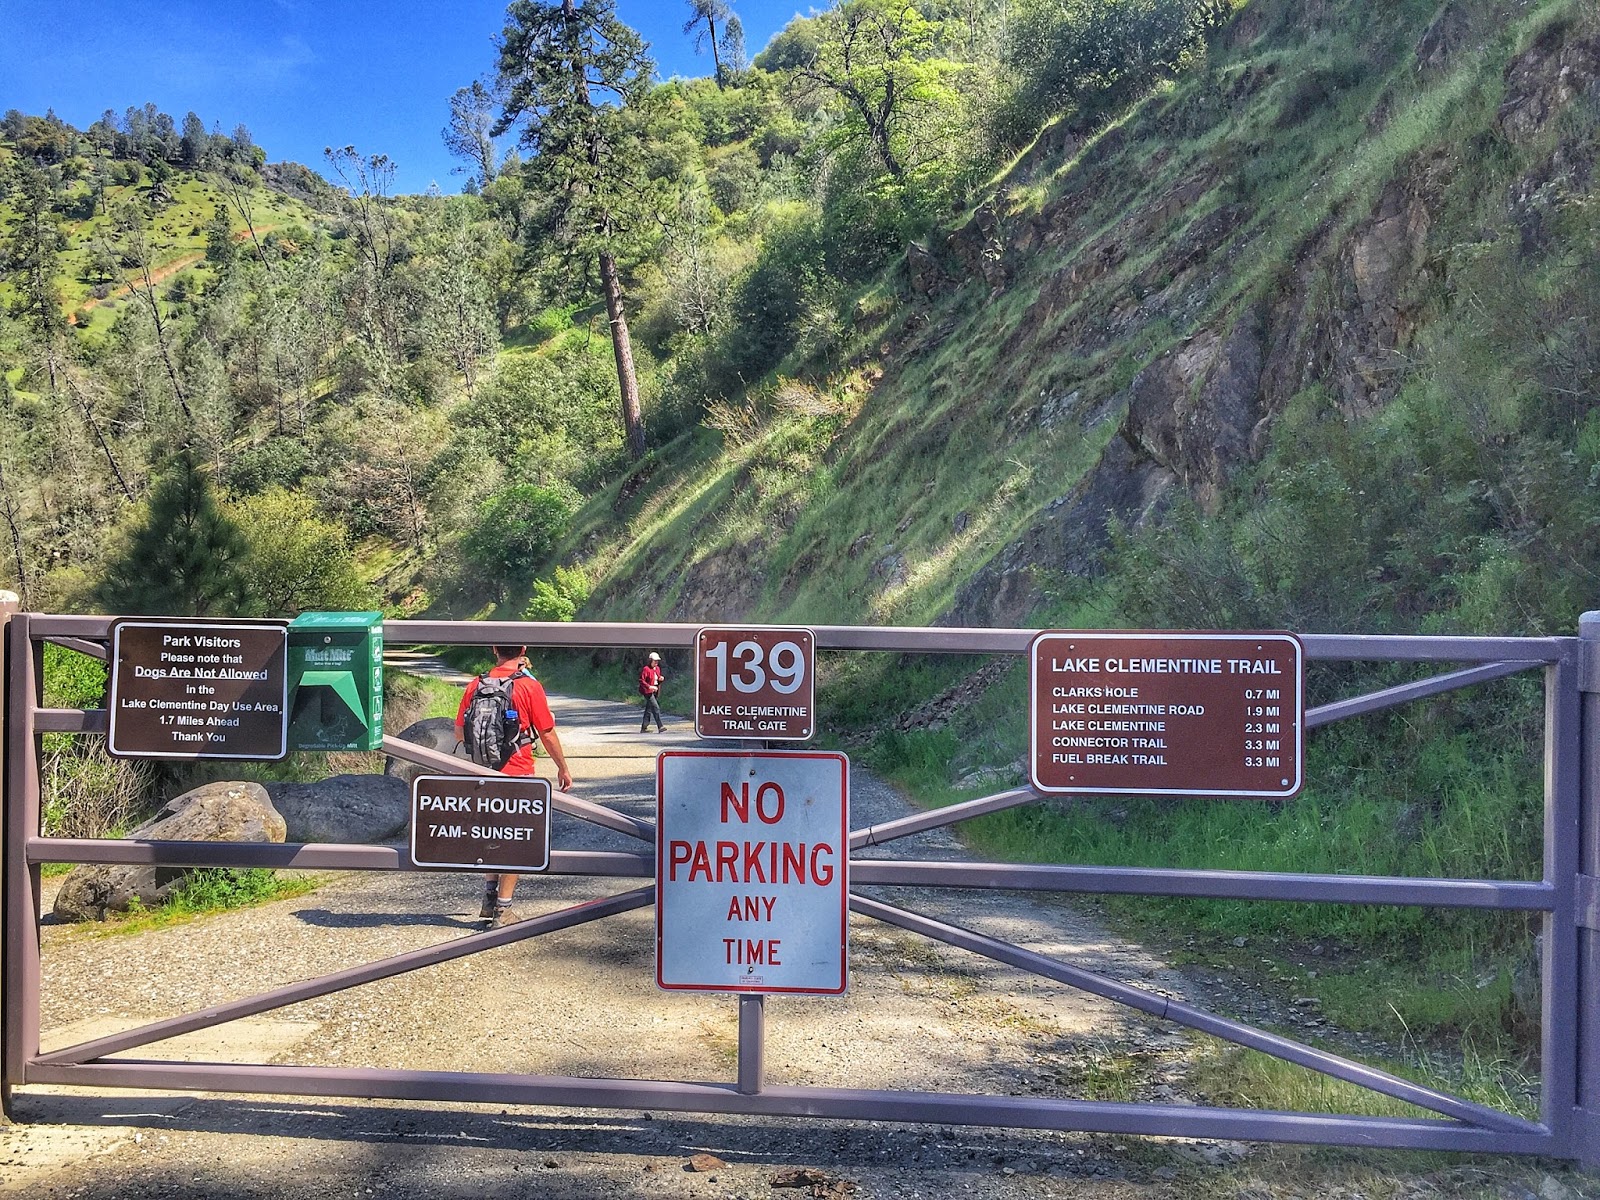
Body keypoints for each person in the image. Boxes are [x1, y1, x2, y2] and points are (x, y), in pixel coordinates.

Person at [455, 644, 573, 927]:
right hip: (517, 772)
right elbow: (546, 732)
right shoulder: (528, 687)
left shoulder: (476, 684)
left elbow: (460, 730)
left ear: (494, 650)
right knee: (515, 839)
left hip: (482, 773)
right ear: (522, 650)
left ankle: (489, 897)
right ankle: (503, 910)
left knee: (490, 834)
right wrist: (562, 767)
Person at [639, 651, 665, 733]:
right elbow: (641, 680)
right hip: (647, 691)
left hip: (655, 691)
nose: (656, 663)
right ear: (650, 661)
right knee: (655, 707)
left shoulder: (657, 669)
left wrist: (660, 679)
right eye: (655, 661)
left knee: (649, 709)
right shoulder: (646, 669)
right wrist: (649, 687)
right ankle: (660, 726)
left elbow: (656, 679)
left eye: (657, 661)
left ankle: (644, 727)